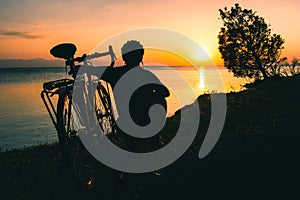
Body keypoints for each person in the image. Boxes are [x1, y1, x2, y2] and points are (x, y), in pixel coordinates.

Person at [101, 40, 169, 146]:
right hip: (147, 127)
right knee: (161, 99)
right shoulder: (147, 75)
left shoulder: (113, 73)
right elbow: (165, 92)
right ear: (140, 57)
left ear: (124, 57)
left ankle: (138, 140)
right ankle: (154, 138)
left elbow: (93, 70)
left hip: (124, 129)